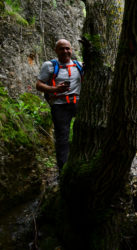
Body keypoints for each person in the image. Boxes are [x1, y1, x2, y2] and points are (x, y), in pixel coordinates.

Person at [36, 39, 83, 172]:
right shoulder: (49, 65)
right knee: (62, 138)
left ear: (71, 50)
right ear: (56, 50)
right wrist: (55, 89)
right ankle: (63, 170)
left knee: (86, 130)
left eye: (67, 48)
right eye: (61, 49)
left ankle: (80, 162)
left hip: (78, 104)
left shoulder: (78, 65)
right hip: (59, 106)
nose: (65, 51)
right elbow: (39, 85)